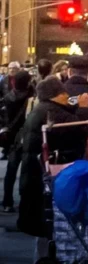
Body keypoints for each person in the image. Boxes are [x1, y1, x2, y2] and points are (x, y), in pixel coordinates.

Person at [15, 77, 88, 237]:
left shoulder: (41, 109)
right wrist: (83, 107)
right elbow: (81, 129)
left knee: (39, 226)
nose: (66, 96)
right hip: (47, 176)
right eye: (63, 92)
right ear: (56, 95)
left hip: (33, 173)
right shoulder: (54, 113)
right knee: (48, 224)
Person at [0, 70, 33, 213]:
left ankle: (7, 201)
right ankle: (26, 202)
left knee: (11, 171)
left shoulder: (7, 98)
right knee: (28, 171)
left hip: (12, 137)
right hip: (28, 135)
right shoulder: (31, 97)